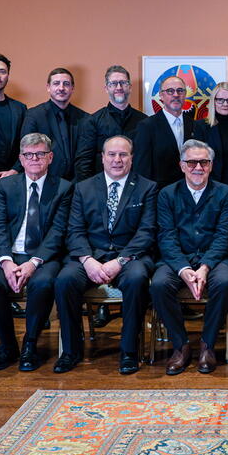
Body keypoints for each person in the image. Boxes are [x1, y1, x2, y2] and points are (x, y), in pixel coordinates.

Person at [56, 135, 158, 375]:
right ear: (102, 158)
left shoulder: (147, 187)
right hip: (90, 256)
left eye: (123, 154)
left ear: (132, 159)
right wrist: (87, 260)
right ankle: (71, 351)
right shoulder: (83, 188)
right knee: (65, 280)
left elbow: (147, 232)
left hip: (130, 257)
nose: (117, 160)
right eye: (111, 154)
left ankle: (130, 351)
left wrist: (120, 261)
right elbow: (75, 230)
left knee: (136, 279)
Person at [0, 132, 73, 372]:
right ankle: (8, 345)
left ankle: (30, 344)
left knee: (42, 284)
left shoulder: (63, 188)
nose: (34, 159)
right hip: (8, 255)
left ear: (50, 157)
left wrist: (33, 262)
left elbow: (58, 232)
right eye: (29, 155)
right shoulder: (5, 186)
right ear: (20, 159)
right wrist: (6, 262)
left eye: (40, 154)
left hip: (43, 256)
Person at [151, 140, 228, 375]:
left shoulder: (226, 194)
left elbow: (224, 235)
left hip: (214, 258)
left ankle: (207, 345)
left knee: (225, 282)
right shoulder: (167, 194)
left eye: (204, 162)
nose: (198, 167)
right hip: (178, 259)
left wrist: (205, 267)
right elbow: (166, 237)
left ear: (211, 165)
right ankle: (180, 345)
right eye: (191, 162)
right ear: (181, 165)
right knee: (159, 284)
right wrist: (182, 269)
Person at [17, 67, 89, 182]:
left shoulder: (85, 118)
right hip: (45, 183)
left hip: (77, 185)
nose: (61, 88)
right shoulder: (34, 116)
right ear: (48, 88)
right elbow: (27, 151)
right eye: (56, 83)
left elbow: (85, 156)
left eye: (66, 84)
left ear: (72, 88)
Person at [75, 65, 145, 181]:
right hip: (101, 188)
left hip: (135, 187)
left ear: (130, 87)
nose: (119, 87)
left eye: (123, 82)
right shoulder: (92, 121)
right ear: (106, 88)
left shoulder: (144, 121)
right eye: (113, 83)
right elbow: (84, 161)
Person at [134, 74, 201, 191]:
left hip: (191, 194)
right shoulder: (147, 126)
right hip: (159, 195)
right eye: (170, 91)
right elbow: (142, 169)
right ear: (161, 95)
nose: (176, 95)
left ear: (185, 94)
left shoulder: (195, 125)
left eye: (180, 91)